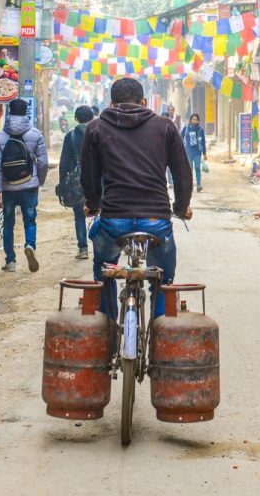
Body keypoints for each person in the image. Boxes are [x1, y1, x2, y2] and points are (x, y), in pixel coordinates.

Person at [80, 78, 193, 320]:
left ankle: (108, 327)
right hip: (156, 221)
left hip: (113, 221)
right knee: (163, 279)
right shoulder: (165, 127)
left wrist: (93, 205)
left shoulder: (96, 128)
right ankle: (160, 330)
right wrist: (181, 207)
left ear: (111, 103)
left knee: (104, 272)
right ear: (143, 102)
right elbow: (183, 173)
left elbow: (88, 176)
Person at [0, 98, 48, 273]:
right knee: (30, 220)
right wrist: (39, 180)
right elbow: (43, 163)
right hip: (29, 185)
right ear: (26, 113)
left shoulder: (0, 136)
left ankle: (10, 261)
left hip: (8, 187)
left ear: (9, 112)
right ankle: (30, 245)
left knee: (8, 223)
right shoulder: (35, 134)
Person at [59, 105, 94, 260]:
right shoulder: (99, 133)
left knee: (79, 216)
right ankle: (104, 245)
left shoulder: (71, 136)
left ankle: (83, 249)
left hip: (77, 184)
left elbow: (64, 162)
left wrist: (62, 184)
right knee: (103, 213)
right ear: (92, 117)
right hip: (97, 181)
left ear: (76, 118)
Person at [181, 113, 207, 192]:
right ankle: (190, 185)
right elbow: (180, 137)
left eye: (196, 120)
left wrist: (204, 153)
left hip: (197, 152)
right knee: (189, 170)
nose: (195, 121)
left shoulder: (200, 130)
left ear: (198, 121)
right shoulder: (186, 128)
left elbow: (203, 142)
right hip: (188, 152)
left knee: (197, 168)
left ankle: (198, 185)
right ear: (190, 120)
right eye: (193, 119)